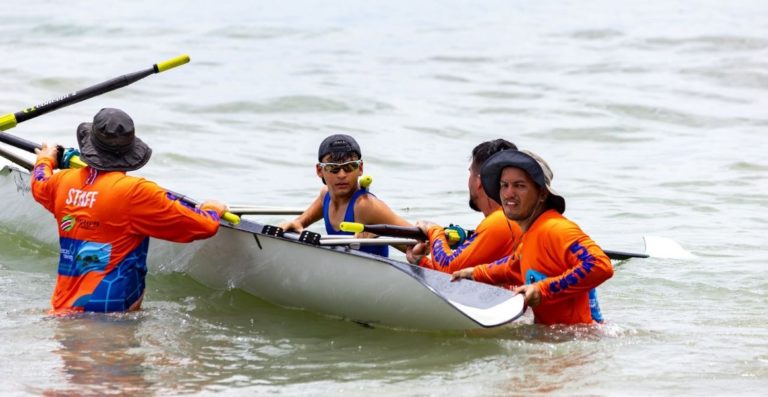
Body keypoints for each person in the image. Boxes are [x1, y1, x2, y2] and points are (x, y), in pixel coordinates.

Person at [31, 108, 228, 314]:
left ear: (90, 145)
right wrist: (212, 209)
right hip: (111, 315)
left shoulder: (62, 182)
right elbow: (203, 226)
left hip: (62, 309)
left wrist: (46, 159)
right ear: (130, 150)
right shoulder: (136, 192)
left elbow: (39, 183)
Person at [451, 149, 614, 325]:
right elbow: (511, 267)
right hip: (554, 339)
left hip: (577, 342)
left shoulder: (555, 228)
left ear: (543, 194)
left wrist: (542, 290)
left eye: (519, 185)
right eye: (504, 185)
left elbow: (600, 265)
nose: (508, 194)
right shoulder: (530, 235)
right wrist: (475, 273)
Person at [278, 134, 411, 257]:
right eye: (333, 168)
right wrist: (298, 222)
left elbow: (422, 244)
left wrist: (380, 232)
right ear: (320, 171)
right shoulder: (325, 196)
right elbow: (302, 220)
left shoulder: (366, 205)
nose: (342, 174)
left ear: (360, 168)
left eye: (349, 166)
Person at [406, 139, 522, 273]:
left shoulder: (501, 221)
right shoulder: (517, 217)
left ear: (479, 181)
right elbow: (460, 276)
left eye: (470, 173)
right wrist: (420, 261)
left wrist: (433, 230)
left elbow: (449, 266)